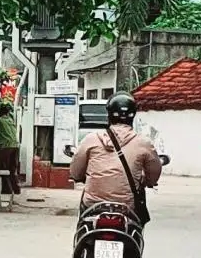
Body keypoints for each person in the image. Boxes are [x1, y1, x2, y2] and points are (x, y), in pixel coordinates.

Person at [69, 95, 165, 223]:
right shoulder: (144, 143)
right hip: (127, 206)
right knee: (137, 224)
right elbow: (154, 172)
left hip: (93, 204)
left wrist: (79, 177)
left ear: (108, 114)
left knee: (83, 224)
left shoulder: (91, 139)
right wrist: (147, 182)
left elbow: (75, 171)